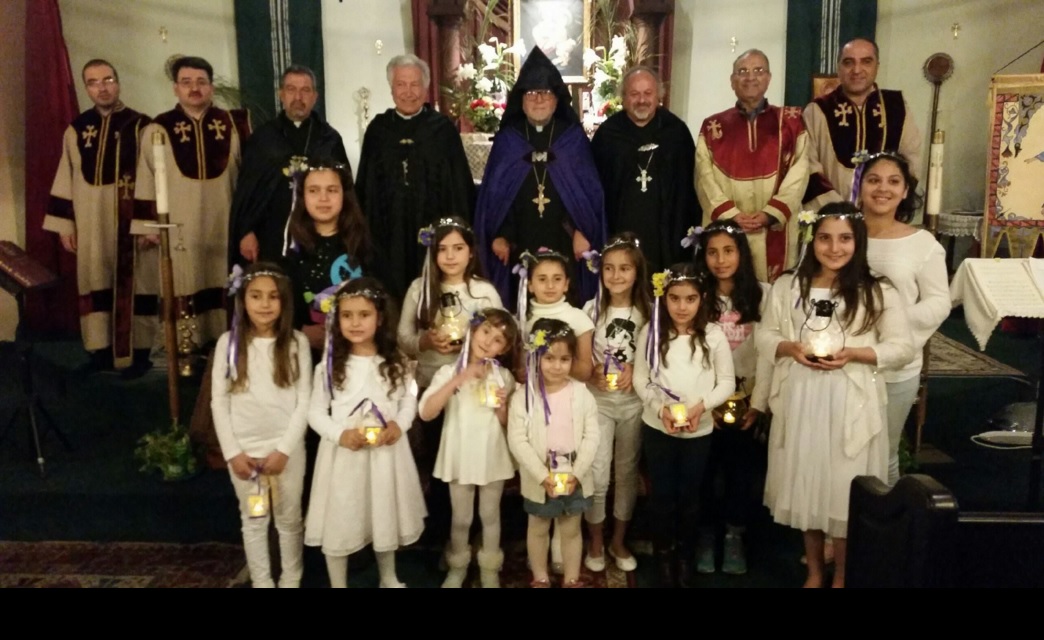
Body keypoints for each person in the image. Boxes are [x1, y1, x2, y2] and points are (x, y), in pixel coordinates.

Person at [759, 202, 913, 588]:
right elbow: (764, 335)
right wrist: (790, 348)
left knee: (844, 489)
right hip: (803, 397)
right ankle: (813, 571)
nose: (834, 248)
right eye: (825, 238)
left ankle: (843, 574)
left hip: (850, 401)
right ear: (812, 240)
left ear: (857, 242)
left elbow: (902, 347)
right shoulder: (789, 286)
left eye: (844, 239)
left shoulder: (876, 289)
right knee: (807, 485)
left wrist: (856, 354)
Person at [304, 277, 425, 588]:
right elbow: (315, 411)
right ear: (336, 319)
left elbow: (409, 399)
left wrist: (400, 424)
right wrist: (339, 435)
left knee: (383, 512)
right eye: (347, 315)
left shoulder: (396, 362)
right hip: (344, 457)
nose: (355, 323)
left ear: (380, 318)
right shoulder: (329, 366)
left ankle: (388, 577)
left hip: (385, 454)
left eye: (364, 314)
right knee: (341, 517)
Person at [43, 59, 155, 373]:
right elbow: (65, 176)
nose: (102, 87)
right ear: (86, 88)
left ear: (118, 82)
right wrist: (66, 224)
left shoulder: (142, 125)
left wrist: (148, 225)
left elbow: (154, 178)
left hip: (130, 221)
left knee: (138, 283)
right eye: (93, 82)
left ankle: (140, 355)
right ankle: (100, 352)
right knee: (95, 280)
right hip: (90, 220)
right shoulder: (76, 129)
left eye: (108, 79)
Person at [133, 56, 250, 345]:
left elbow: (248, 179)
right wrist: (148, 227)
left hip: (225, 224)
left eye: (201, 82)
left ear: (211, 87)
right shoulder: (158, 128)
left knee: (225, 285)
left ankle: (226, 347)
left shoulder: (234, 126)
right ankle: (188, 349)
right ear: (175, 88)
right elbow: (145, 176)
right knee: (186, 284)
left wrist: (251, 224)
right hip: (180, 228)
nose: (194, 88)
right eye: (186, 82)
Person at [476, 46, 606, 305]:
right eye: (532, 93)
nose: (538, 99)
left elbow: (586, 194)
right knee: (520, 301)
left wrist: (580, 230)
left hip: (564, 237)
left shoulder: (572, 139)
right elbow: (496, 196)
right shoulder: (508, 141)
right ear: (521, 99)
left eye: (545, 93)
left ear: (557, 100)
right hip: (519, 239)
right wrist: (501, 234)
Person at [633, 263, 735, 587]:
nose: (681, 306)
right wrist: (659, 407)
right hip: (657, 426)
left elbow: (727, 382)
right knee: (662, 495)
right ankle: (665, 555)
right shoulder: (651, 332)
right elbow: (641, 377)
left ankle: (686, 556)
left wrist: (701, 407)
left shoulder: (713, 335)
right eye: (674, 298)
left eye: (690, 299)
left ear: (702, 299)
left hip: (698, 429)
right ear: (664, 298)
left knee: (690, 496)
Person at [210, 262, 311, 588]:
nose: (265, 304)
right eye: (256, 296)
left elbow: (304, 402)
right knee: (254, 520)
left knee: (289, 519)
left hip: (286, 450)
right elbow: (219, 402)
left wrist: (284, 449)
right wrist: (233, 452)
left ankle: (291, 580)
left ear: (284, 302)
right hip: (244, 451)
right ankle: (263, 582)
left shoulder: (297, 343)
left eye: (272, 297)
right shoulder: (228, 344)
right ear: (243, 300)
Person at [857, 152, 949, 485]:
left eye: (893, 181)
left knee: (883, 451)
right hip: (845, 361)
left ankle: (884, 529)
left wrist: (892, 321)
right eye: (874, 180)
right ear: (861, 186)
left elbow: (940, 302)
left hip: (893, 365)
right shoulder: (841, 235)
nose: (883, 189)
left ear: (905, 191)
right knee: (843, 449)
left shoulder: (921, 243)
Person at [355, 54, 474, 299]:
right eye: (401, 84)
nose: (408, 92)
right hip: (388, 236)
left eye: (415, 84)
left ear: (426, 87)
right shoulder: (378, 131)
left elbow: (460, 188)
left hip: (435, 236)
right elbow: (365, 190)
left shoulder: (442, 131)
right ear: (391, 88)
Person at [692, 220, 772, 576]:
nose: (720, 260)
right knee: (706, 471)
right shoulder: (695, 295)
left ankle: (735, 535)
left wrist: (759, 403)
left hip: (747, 402)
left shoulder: (764, 294)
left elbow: (769, 353)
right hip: (705, 402)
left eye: (728, 251)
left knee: (742, 472)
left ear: (741, 253)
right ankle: (707, 534)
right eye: (712, 252)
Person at [418, 308, 519, 588]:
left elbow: (510, 424)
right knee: (461, 518)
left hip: (491, 455)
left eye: (498, 339)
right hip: (460, 455)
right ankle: (458, 565)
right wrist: (459, 379)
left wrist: (501, 407)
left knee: (490, 515)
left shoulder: (504, 377)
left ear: (505, 348)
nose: (488, 341)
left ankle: (490, 569)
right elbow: (426, 412)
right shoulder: (447, 372)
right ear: (473, 331)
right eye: (486, 331)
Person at [697, 49, 809, 282]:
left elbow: (800, 172)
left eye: (758, 71)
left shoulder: (791, 121)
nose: (750, 77)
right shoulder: (713, 126)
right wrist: (731, 215)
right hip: (729, 227)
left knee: (773, 302)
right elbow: (703, 177)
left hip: (774, 228)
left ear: (768, 78)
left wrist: (771, 213)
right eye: (743, 72)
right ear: (732, 81)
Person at [508, 319, 600, 588]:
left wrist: (577, 473)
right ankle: (540, 577)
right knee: (538, 528)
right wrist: (540, 475)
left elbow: (592, 436)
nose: (556, 366)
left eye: (564, 359)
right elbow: (518, 439)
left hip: (574, 475)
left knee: (571, 529)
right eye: (548, 358)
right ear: (536, 357)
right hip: (541, 477)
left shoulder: (582, 394)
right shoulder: (524, 396)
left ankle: (571, 578)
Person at [580, 233, 651, 573]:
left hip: (633, 404)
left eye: (624, 268)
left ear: (637, 272)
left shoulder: (648, 312)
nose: (616, 275)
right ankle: (595, 540)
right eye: (609, 268)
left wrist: (636, 368)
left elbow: (656, 356)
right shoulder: (591, 309)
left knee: (625, 473)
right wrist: (590, 370)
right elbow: (581, 358)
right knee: (597, 472)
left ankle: (618, 540)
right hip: (599, 402)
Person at [230, 65, 349, 266]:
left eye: (305, 90)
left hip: (318, 232)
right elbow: (247, 194)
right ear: (281, 95)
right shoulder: (263, 139)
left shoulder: (329, 139)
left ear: (315, 96)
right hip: (269, 235)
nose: (298, 97)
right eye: (291, 89)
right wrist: (246, 232)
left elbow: (345, 189)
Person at [590, 67, 698, 272]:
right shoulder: (607, 136)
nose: (642, 100)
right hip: (620, 230)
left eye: (648, 93)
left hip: (667, 234)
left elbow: (689, 188)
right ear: (623, 97)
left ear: (659, 96)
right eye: (634, 94)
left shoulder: (676, 132)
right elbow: (593, 190)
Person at [802, 38, 923, 208]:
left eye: (866, 61)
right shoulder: (817, 110)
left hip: (884, 216)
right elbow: (808, 167)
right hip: (832, 218)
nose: (857, 70)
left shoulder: (896, 106)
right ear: (838, 68)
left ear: (877, 66)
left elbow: (910, 160)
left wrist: (885, 205)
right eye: (848, 62)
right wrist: (839, 211)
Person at [397, 217, 502, 390]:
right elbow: (403, 337)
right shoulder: (419, 289)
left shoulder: (484, 292)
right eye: (442, 249)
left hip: (471, 384)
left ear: (471, 252)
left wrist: (470, 344)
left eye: (458, 248)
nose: (450, 256)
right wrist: (425, 342)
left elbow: (500, 337)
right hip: (429, 385)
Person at [283, 160, 377, 352]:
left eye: (332, 190)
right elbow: (278, 306)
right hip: (306, 356)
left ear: (345, 195)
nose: (323, 198)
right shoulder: (290, 251)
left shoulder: (365, 246)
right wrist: (300, 331)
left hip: (358, 353)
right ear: (302, 197)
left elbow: (386, 301)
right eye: (314, 190)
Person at [519, 248, 594, 382]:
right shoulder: (521, 321)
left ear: (566, 284)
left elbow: (585, 372)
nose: (550, 285)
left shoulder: (579, 319)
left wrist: (554, 361)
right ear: (530, 285)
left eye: (557, 279)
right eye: (542, 279)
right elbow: (519, 371)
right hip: (532, 397)